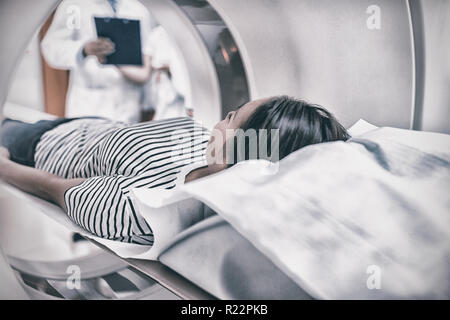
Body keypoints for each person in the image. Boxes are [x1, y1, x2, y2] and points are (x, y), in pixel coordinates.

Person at [0, 96, 350, 245]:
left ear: (242, 159)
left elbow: (52, 187)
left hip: (41, 145)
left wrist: (3, 166)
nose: (222, 118)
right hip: (87, 125)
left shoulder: (146, 205)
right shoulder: (208, 152)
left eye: (232, 117)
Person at [41, 0, 154, 123]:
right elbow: (52, 47)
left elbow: (148, 52)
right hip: (89, 105)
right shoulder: (74, 5)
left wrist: (149, 103)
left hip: (128, 105)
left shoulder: (138, 8)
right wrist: (83, 49)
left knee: (124, 140)